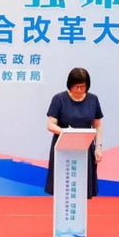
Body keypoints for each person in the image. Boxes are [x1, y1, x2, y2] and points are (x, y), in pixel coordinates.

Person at [45, 67, 103, 199]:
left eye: (82, 87)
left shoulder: (93, 100)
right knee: (63, 186)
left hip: (85, 147)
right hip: (63, 146)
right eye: (76, 87)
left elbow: (97, 126)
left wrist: (98, 147)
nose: (79, 90)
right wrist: (68, 133)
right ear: (69, 84)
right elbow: (50, 124)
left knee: (82, 186)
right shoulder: (59, 99)